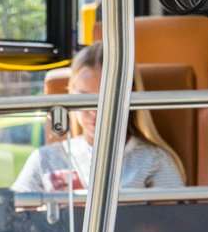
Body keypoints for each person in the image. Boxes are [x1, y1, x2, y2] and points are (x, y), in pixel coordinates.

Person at [12, 42, 187, 194]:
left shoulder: (153, 161)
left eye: (107, 99)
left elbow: (174, 225)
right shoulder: (45, 159)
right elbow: (13, 220)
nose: (95, 112)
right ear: (70, 95)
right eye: (84, 98)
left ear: (128, 97)